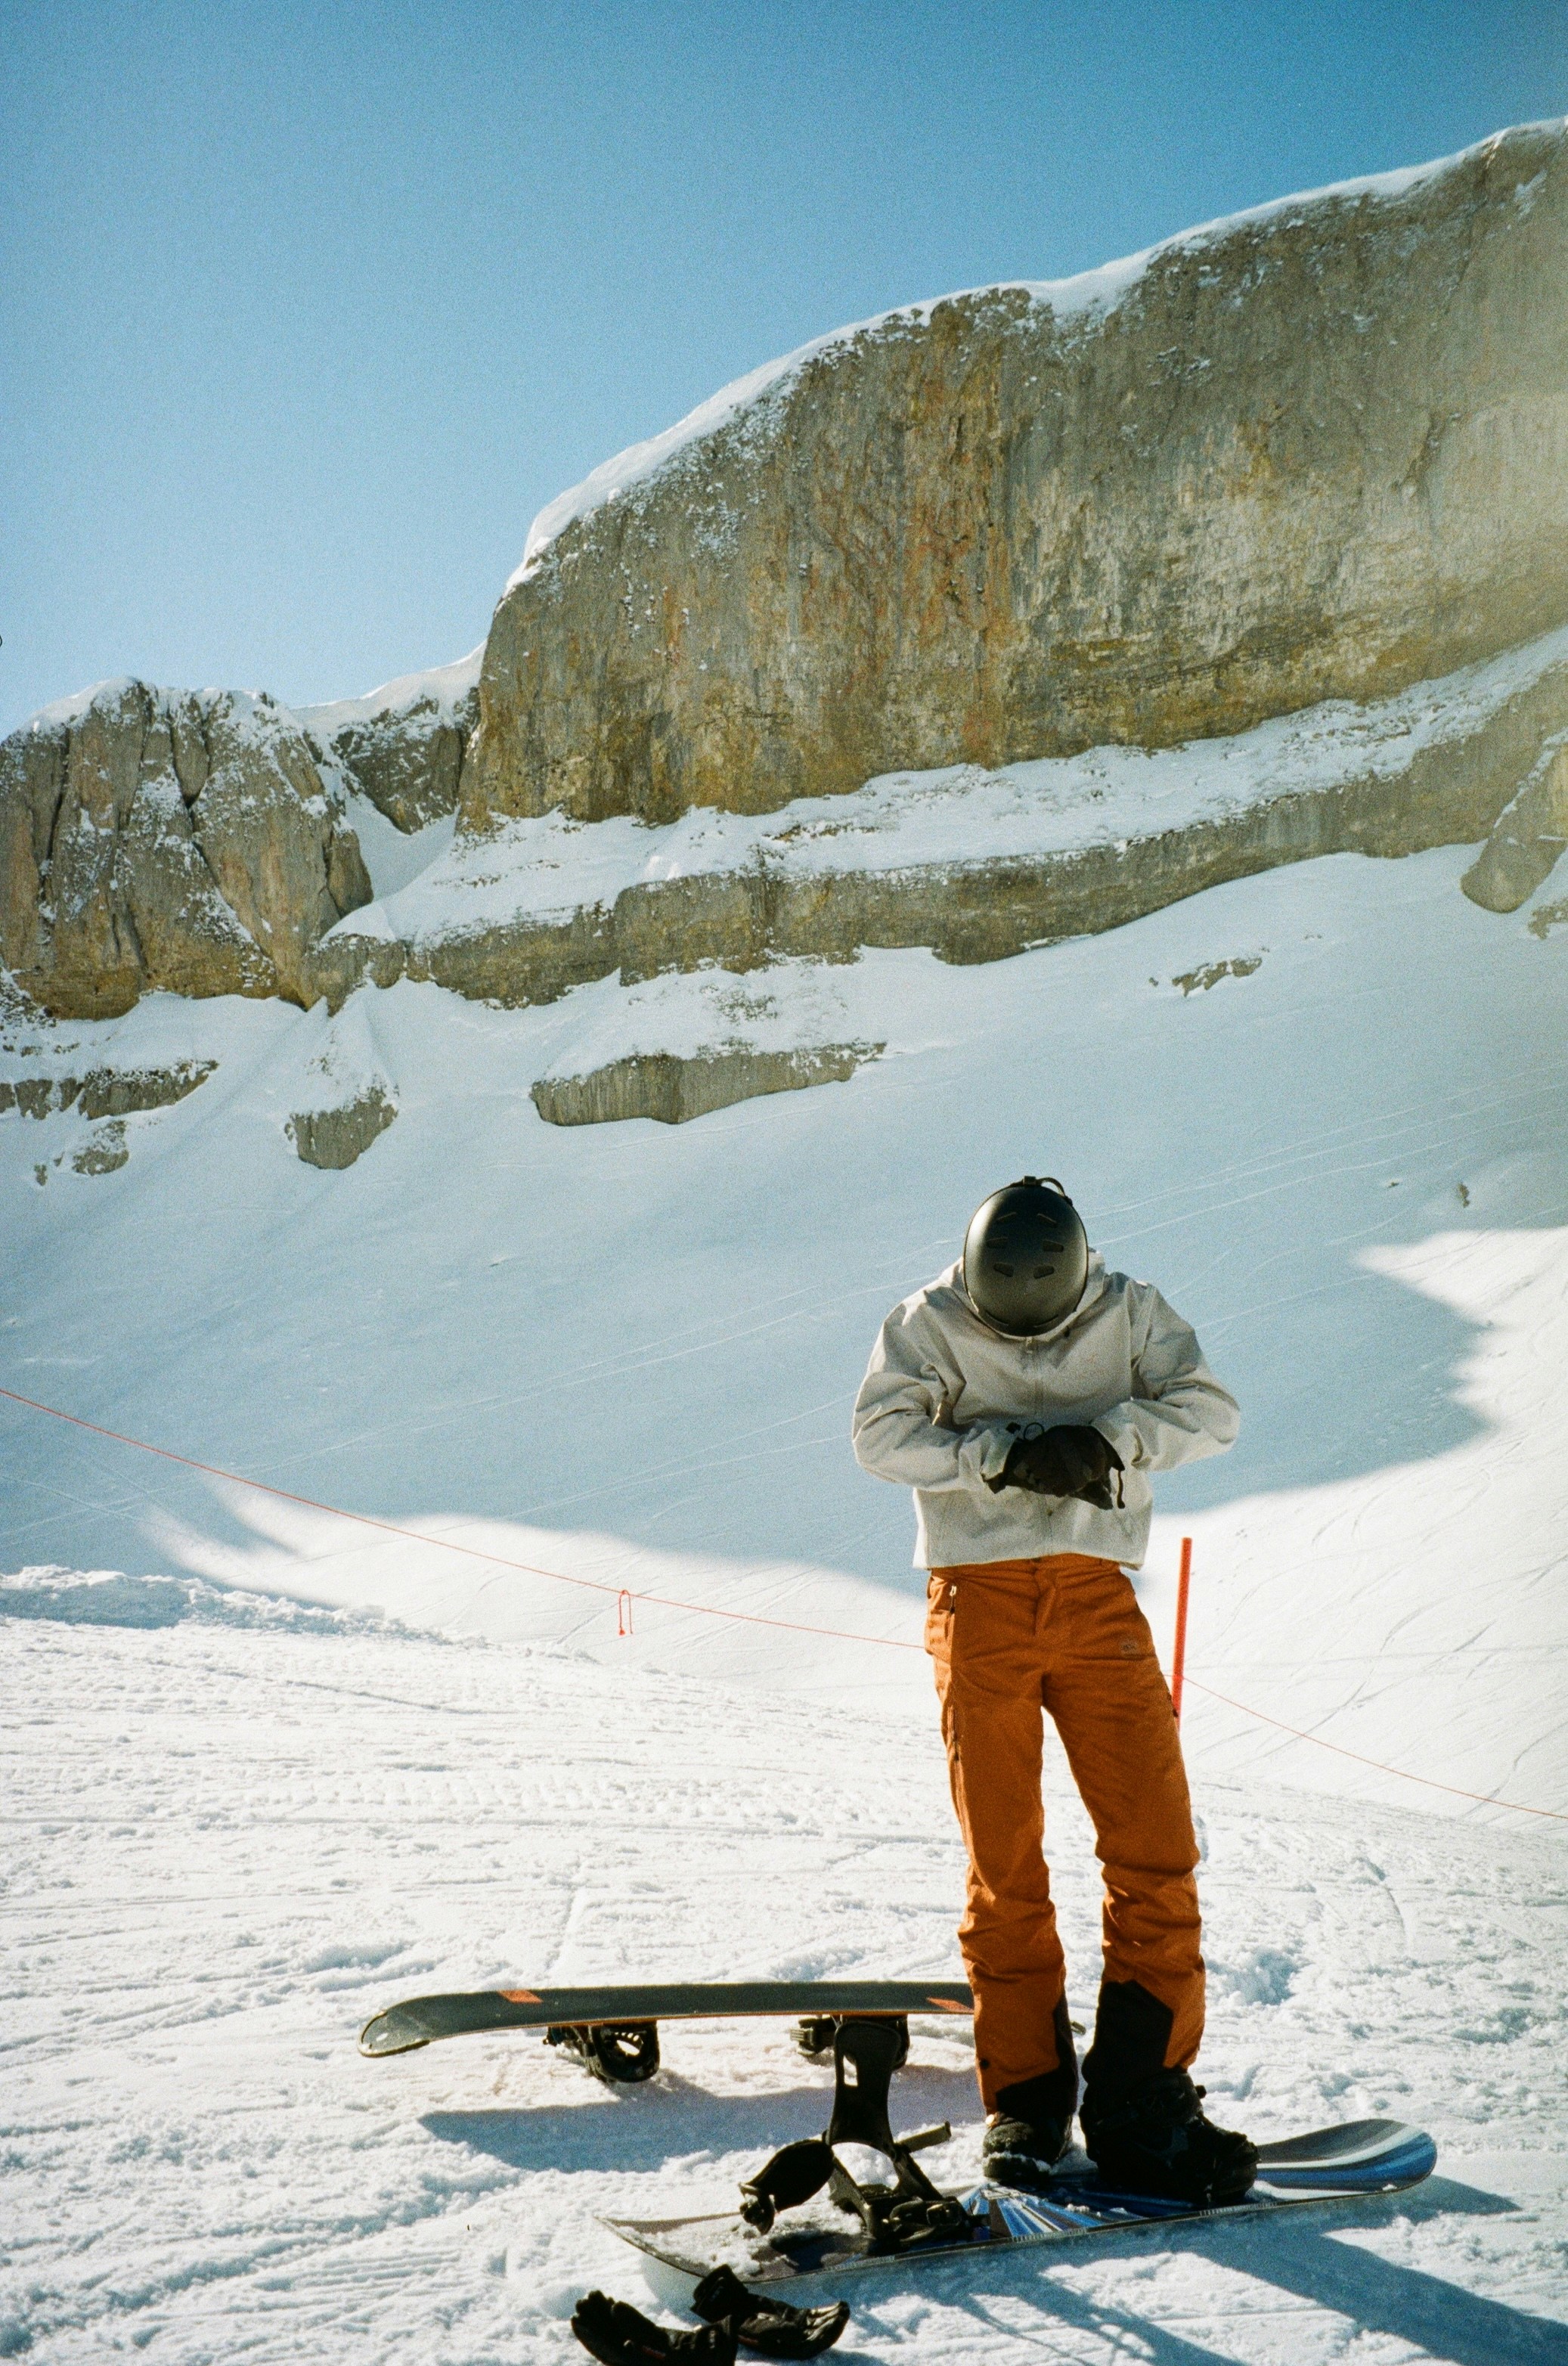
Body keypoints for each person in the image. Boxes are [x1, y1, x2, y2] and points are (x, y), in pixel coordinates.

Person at [851, 1175, 1257, 2204]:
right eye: (1002, 1301)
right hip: (978, 1602)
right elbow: (878, 1436)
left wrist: (1110, 1438)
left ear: (1076, 1272)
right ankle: (1025, 2102)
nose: (1023, 1318)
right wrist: (993, 1455)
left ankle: (1139, 2100)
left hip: (1092, 1598)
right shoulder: (925, 1322)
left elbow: (1210, 1412)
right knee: (1005, 1862)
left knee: (1153, 1846)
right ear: (972, 1276)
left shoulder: (1130, 1311)